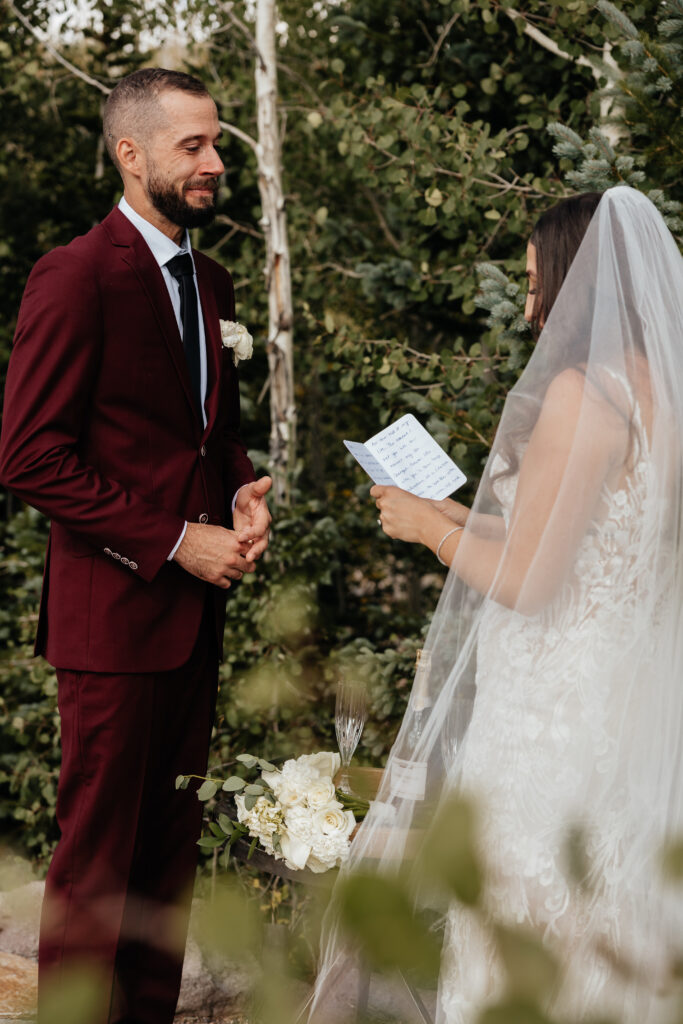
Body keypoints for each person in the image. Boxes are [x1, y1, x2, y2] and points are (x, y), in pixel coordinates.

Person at [311, 186, 683, 1022]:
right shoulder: (664, 391)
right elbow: (583, 540)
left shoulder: (582, 395)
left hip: (551, 714)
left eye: (533, 282)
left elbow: (529, 580)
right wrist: (453, 511)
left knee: (525, 912)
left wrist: (426, 533)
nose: (526, 305)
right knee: (604, 910)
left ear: (573, 283)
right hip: (626, 703)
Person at [0, 68, 272, 1024]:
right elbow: (29, 457)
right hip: (112, 619)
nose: (213, 160)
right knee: (98, 868)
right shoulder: (76, 274)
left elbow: (209, 434)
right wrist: (171, 541)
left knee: (166, 859)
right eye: (191, 145)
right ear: (132, 153)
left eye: (215, 143)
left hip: (194, 619)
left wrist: (240, 491)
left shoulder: (211, 279)